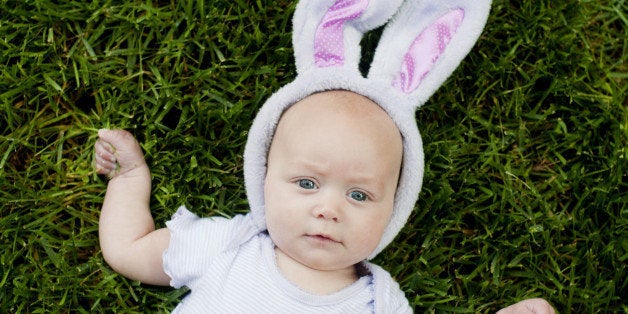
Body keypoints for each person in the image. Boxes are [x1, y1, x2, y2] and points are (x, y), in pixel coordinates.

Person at [95, 0, 555, 312]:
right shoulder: (229, 246)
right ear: (264, 177)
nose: (327, 209)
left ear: (395, 205)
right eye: (307, 183)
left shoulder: (380, 302)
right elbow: (129, 249)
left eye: (359, 194)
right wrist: (129, 180)